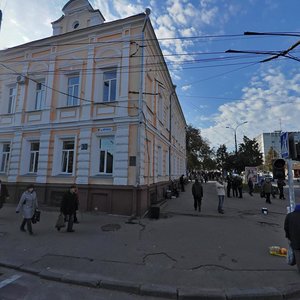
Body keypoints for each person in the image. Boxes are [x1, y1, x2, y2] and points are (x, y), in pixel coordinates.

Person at [284, 204, 300, 273]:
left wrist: (288, 236)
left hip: (294, 239)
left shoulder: (289, 215)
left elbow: (286, 227)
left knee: (297, 254)